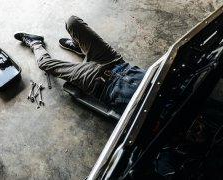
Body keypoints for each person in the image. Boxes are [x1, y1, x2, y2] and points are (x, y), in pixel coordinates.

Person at [14, 16, 146, 113]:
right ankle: (83, 50)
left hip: (97, 82)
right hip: (116, 63)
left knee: (45, 63)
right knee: (72, 22)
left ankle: (35, 42)